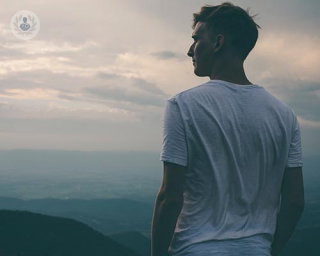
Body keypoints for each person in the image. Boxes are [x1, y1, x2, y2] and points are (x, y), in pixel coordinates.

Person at [151, 2, 304, 256]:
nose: (190, 51)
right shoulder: (284, 115)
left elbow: (170, 198)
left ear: (217, 43)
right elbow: (295, 201)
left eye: (196, 39)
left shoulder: (182, 105)